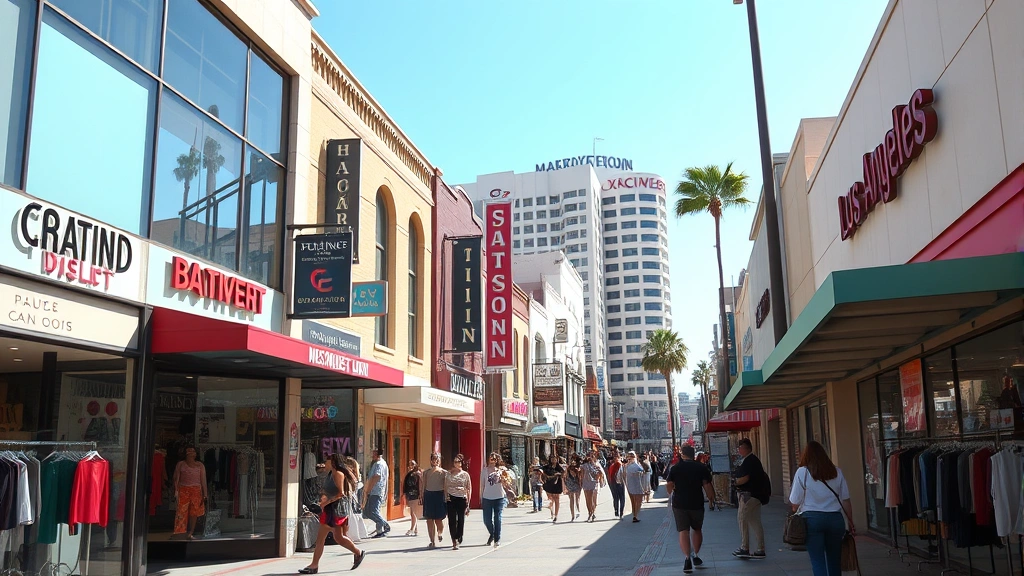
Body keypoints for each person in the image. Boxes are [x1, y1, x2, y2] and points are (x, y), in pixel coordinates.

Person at [789, 441, 854, 576]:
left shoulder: (802, 472)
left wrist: (795, 508)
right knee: (834, 560)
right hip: (836, 520)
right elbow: (846, 500)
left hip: (812, 520)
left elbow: (794, 502)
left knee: (817, 560)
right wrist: (851, 522)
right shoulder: (836, 472)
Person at [299, 454, 366, 573]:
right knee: (338, 538)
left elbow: (341, 493)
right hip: (331, 509)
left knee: (321, 538)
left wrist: (326, 503)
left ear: (333, 462)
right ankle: (358, 552)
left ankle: (314, 565)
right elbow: (330, 490)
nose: (325, 463)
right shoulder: (330, 474)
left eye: (327, 461)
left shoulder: (338, 473)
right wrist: (323, 497)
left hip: (335, 510)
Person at [666, 446, 716, 574]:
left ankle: (687, 558)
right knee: (697, 529)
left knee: (683, 531)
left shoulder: (676, 468)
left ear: (682, 455)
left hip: (680, 504)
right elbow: (707, 485)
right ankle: (696, 554)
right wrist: (711, 499)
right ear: (693, 455)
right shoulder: (701, 468)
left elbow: (669, 485)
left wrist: (671, 492)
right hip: (696, 503)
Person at [733, 438, 767, 559]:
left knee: (742, 519)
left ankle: (745, 547)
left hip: (749, 495)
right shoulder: (751, 460)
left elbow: (745, 478)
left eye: (740, 447)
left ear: (747, 448)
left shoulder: (749, 461)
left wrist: (736, 482)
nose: (739, 450)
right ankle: (760, 548)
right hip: (756, 495)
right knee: (755, 521)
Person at [172, 446, 208, 540]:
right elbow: (176, 479)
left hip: (196, 491)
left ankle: (191, 532)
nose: (191, 453)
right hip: (183, 490)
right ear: (185, 453)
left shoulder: (200, 465)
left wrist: (205, 494)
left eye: (193, 451)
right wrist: (176, 491)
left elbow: (203, 481)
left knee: (194, 512)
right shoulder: (181, 464)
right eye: (189, 451)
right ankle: (180, 532)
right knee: (181, 511)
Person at [480, 452, 510, 547]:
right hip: (487, 497)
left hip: (499, 497)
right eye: (491, 458)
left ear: (497, 460)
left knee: (498, 518)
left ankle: (497, 538)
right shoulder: (484, 471)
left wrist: (503, 479)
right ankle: (492, 533)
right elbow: (482, 485)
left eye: (494, 458)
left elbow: (507, 484)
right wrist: (481, 497)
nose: (492, 460)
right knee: (487, 520)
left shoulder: (501, 470)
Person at [361, 449, 391, 538]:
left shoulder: (379, 464)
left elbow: (377, 476)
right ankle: (381, 528)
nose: (372, 456)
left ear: (378, 455)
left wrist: (369, 488)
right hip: (376, 490)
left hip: (376, 491)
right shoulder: (382, 463)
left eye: (374, 454)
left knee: (373, 511)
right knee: (367, 512)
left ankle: (383, 526)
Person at [445, 454, 472, 550]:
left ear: (461, 463)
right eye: (455, 462)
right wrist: (445, 498)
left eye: (458, 462)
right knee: (451, 520)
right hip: (451, 498)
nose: (457, 463)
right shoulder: (448, 474)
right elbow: (445, 486)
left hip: (461, 498)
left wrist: (468, 503)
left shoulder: (465, 474)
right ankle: (454, 541)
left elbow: (469, 488)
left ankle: (459, 535)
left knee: (461, 520)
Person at [421, 453, 448, 549]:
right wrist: (421, 496)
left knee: (439, 519)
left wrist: (446, 497)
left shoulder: (444, 473)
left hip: (439, 495)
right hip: (429, 495)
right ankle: (432, 541)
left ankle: (440, 533)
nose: (435, 461)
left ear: (440, 460)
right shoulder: (426, 472)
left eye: (437, 459)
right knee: (429, 519)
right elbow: (423, 485)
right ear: (431, 460)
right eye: (433, 459)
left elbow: (446, 486)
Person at [581, 451, 604, 523]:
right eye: (589, 456)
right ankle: (590, 513)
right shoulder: (584, 466)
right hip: (586, 483)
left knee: (593, 500)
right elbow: (581, 475)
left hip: (594, 483)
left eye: (592, 456)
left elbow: (600, 474)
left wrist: (599, 480)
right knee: (588, 499)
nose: (590, 457)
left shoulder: (597, 466)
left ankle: (593, 512)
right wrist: (581, 483)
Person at [541, 452, 564, 523]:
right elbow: (542, 471)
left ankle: (556, 515)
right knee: (551, 499)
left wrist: (559, 474)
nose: (554, 460)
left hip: (557, 484)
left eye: (555, 459)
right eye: (552, 459)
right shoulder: (547, 467)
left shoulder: (559, 467)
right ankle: (552, 512)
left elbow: (563, 474)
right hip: (549, 484)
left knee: (557, 498)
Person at [624, 451, 646, 522]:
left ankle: (635, 515)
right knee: (637, 501)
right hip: (636, 485)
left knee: (633, 501)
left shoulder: (627, 466)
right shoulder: (633, 465)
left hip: (630, 485)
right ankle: (635, 515)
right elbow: (643, 472)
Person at [402, 460, 423, 536]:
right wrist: (404, 493)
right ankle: (416, 529)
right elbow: (405, 484)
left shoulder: (418, 474)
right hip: (409, 495)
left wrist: (421, 495)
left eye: (413, 464)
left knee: (413, 512)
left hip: (416, 495)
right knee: (413, 511)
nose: (411, 466)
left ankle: (412, 528)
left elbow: (421, 485)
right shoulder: (408, 474)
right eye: (410, 464)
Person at [606, 451, 626, 519]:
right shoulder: (619, 464)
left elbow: (609, 474)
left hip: (613, 483)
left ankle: (617, 511)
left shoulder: (611, 464)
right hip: (619, 483)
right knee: (621, 498)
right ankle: (620, 512)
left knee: (616, 498)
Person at [564, 454, 583, 521]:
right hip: (570, 483)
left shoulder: (579, 468)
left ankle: (578, 511)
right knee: (571, 499)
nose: (573, 462)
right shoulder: (568, 468)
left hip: (577, 484)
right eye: (572, 460)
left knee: (577, 499)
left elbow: (580, 476)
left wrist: (578, 472)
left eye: (574, 460)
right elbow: (565, 476)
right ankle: (573, 515)